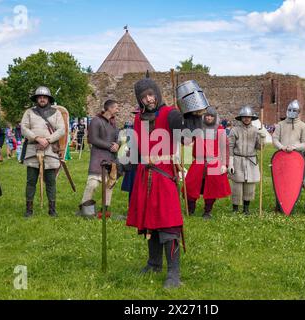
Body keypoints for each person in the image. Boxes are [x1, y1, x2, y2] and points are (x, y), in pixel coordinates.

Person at [126, 77, 206, 288]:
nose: (149, 99)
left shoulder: (170, 114)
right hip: (144, 176)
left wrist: (192, 116)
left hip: (164, 175)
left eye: (151, 94)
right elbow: (134, 149)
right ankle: (154, 263)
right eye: (144, 97)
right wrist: (118, 164)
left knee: (168, 224)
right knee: (149, 222)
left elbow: (188, 139)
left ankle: (173, 273)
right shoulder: (139, 119)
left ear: (158, 93)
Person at [21, 86, 66, 217]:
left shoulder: (56, 113)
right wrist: (36, 138)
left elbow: (61, 129)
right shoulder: (29, 112)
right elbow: (23, 128)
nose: (42, 99)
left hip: (50, 150)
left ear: (48, 99)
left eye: (44, 97)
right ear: (36, 99)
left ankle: (52, 209)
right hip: (32, 149)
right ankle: (29, 210)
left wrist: (48, 140)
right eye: (39, 97)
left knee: (51, 181)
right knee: (31, 180)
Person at [184, 106, 231, 219]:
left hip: (213, 162)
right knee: (190, 184)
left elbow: (225, 148)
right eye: (207, 115)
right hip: (199, 161)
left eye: (211, 116)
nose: (209, 118)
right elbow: (187, 141)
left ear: (215, 117)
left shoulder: (219, 130)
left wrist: (225, 164)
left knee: (211, 188)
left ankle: (207, 211)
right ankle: (190, 208)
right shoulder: (198, 128)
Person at [76, 100, 120, 218]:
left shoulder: (113, 123)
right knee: (93, 184)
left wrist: (117, 145)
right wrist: (110, 146)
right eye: (116, 107)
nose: (118, 110)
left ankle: (104, 211)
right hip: (98, 158)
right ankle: (84, 208)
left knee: (109, 184)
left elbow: (117, 138)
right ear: (109, 108)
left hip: (110, 159)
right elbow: (93, 139)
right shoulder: (96, 121)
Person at [272, 100, 305, 212]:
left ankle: (290, 204)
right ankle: (279, 204)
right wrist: (281, 147)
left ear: (299, 112)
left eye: (294, 110)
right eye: (290, 110)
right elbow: (275, 139)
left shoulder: (303, 126)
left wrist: (294, 147)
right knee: (280, 180)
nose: (292, 112)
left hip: (295, 158)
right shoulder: (280, 125)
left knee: (293, 181)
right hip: (282, 157)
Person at [228, 106, 267, 215]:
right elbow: (230, 146)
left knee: (250, 186)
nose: (246, 119)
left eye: (248, 117)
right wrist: (230, 162)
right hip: (238, 159)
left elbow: (260, 147)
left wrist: (262, 138)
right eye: (244, 117)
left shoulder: (256, 130)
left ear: (251, 118)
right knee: (237, 186)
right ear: (241, 118)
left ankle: (246, 209)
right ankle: (235, 209)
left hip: (251, 160)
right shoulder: (234, 130)